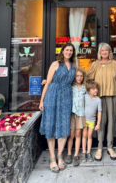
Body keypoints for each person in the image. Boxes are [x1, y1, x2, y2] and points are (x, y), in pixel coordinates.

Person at [39, 43, 76, 173]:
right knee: (51, 125)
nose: (69, 52)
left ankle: (60, 155)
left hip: (66, 98)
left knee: (64, 126)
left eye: (71, 50)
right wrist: (41, 100)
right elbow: (48, 83)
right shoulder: (55, 64)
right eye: (67, 50)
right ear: (62, 51)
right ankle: (52, 156)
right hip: (52, 96)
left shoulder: (73, 66)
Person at [86, 42, 116, 161]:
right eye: (102, 51)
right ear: (99, 53)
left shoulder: (115, 64)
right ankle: (100, 147)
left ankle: (110, 147)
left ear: (109, 52)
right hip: (98, 97)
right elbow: (87, 77)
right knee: (100, 123)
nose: (104, 52)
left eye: (106, 50)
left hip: (112, 95)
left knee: (111, 121)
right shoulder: (95, 64)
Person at [66, 68, 87, 167]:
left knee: (78, 134)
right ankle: (69, 153)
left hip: (81, 113)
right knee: (71, 135)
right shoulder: (71, 86)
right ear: (74, 77)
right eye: (77, 76)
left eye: (81, 76)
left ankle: (76, 155)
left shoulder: (85, 88)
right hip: (72, 113)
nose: (79, 78)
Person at [81, 80, 102, 162]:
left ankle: (88, 152)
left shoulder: (98, 100)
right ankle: (83, 152)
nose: (95, 90)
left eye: (96, 88)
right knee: (84, 136)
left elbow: (99, 112)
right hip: (84, 119)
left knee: (89, 136)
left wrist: (98, 124)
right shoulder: (85, 96)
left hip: (92, 121)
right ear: (88, 90)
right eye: (93, 89)